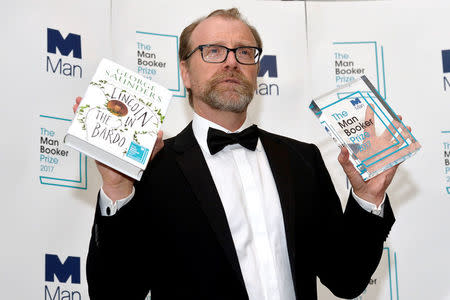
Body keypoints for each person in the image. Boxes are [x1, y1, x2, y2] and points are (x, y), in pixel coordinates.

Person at [82, 8, 401, 300]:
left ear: (257, 69)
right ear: (186, 73)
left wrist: (366, 199)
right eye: (214, 51)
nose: (231, 61)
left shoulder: (303, 160)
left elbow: (346, 278)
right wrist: (117, 189)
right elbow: (114, 293)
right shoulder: (152, 167)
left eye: (244, 52)